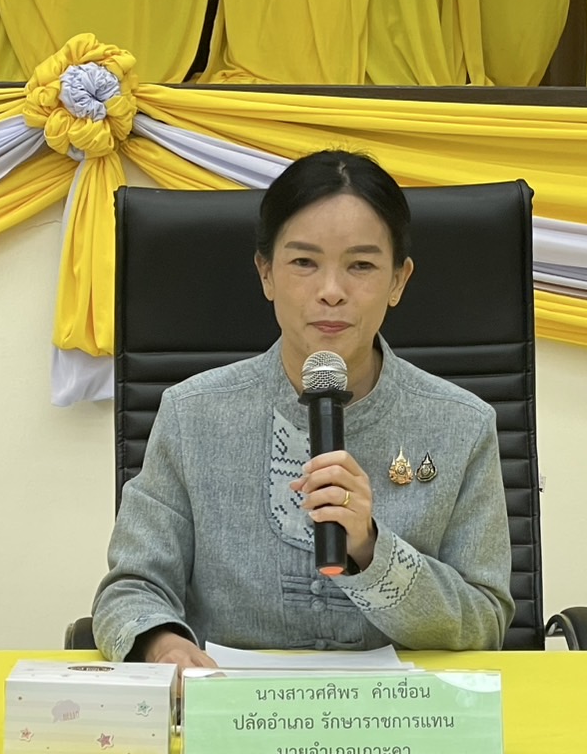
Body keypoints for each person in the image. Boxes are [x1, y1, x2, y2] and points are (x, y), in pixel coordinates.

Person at [92, 149, 514, 671]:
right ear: (266, 274)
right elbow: (130, 589)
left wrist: (370, 547)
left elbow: (486, 621)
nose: (331, 292)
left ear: (399, 281)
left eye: (361, 265)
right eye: (304, 263)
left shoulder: (462, 424)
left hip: (400, 713)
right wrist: (163, 644)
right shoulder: (191, 414)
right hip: (233, 705)